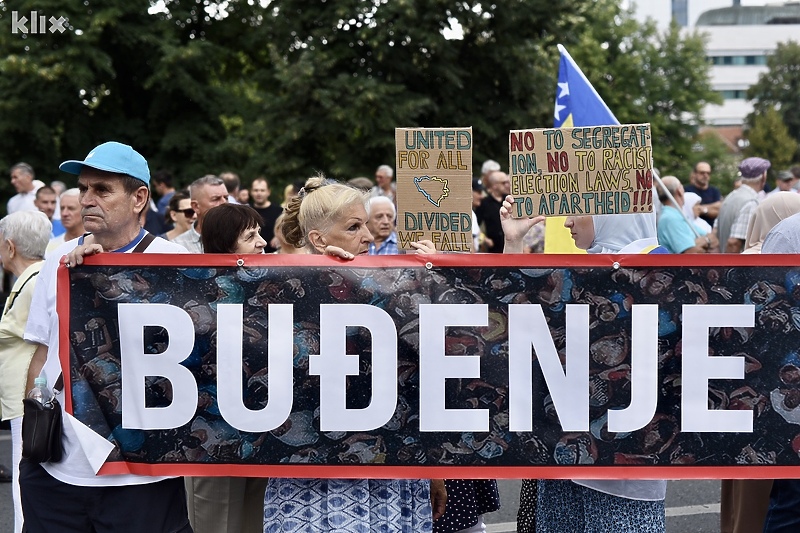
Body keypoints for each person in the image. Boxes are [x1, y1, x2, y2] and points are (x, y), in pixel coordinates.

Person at [20, 141, 192, 533]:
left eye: (102, 189)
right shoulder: (57, 260)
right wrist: (34, 439)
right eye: (83, 188)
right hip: (57, 471)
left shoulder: (174, 262)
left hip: (144, 474)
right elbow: (41, 354)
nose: (86, 199)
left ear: (139, 198)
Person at [265, 175, 444, 532]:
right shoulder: (280, 286)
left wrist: (434, 278)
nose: (367, 236)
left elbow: (422, 376)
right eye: (353, 226)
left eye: (365, 224)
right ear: (318, 239)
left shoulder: (390, 285)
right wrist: (321, 281)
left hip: (390, 472)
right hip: (312, 482)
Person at [501, 198, 668, 533]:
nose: (566, 223)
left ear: (610, 212)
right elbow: (513, 323)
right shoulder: (575, 275)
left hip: (622, 479)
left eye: (576, 209)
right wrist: (513, 243)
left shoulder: (663, 274)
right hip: (564, 461)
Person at [181, 203, 266, 533]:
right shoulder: (194, 294)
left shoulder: (267, 283)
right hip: (213, 437)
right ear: (225, 244)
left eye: (260, 233)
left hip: (259, 430)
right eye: (250, 236)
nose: (261, 241)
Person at [718, 192, 800, 533]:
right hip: (778, 407)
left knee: (751, 506)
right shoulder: (785, 240)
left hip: (754, 401)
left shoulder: (743, 265)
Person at [0, 210, 51, 533]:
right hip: (24, 398)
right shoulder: (35, 278)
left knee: (24, 479)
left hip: (26, 398)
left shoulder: (34, 282)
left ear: (10, 246)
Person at [716, 157, 770, 253]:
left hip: (725, 262)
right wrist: (731, 267)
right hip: (736, 265)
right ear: (763, 177)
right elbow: (734, 243)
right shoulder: (750, 203)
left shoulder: (731, 196)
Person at [656, 176, 718, 253]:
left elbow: (714, 240)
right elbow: (691, 253)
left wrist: (702, 242)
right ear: (679, 191)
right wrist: (706, 241)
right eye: (681, 186)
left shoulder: (678, 216)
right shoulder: (671, 218)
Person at [173, 175, 228, 253]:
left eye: (226, 198)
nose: (224, 203)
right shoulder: (177, 247)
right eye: (216, 199)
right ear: (196, 206)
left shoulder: (242, 240)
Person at [475, 170, 510, 253]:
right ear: (494, 185)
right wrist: (485, 239)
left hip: (509, 245)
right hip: (493, 249)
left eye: (507, 182)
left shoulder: (509, 200)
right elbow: (476, 224)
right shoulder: (484, 203)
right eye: (503, 183)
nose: (506, 185)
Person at [46, 188, 85, 254]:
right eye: (62, 208)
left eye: (71, 208)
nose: (64, 213)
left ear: (84, 210)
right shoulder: (50, 246)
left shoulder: (95, 243)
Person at [250, 177, 283, 253]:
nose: (259, 193)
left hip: (274, 254)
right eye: (256, 190)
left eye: (262, 190)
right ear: (251, 192)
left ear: (268, 192)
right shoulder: (246, 212)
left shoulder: (279, 211)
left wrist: (279, 237)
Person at [683, 161, 722, 226]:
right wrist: (711, 208)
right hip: (693, 230)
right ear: (695, 174)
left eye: (708, 173)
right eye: (702, 173)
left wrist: (702, 209)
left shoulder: (715, 191)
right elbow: (690, 211)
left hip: (711, 231)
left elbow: (719, 210)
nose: (705, 175)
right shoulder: (687, 190)